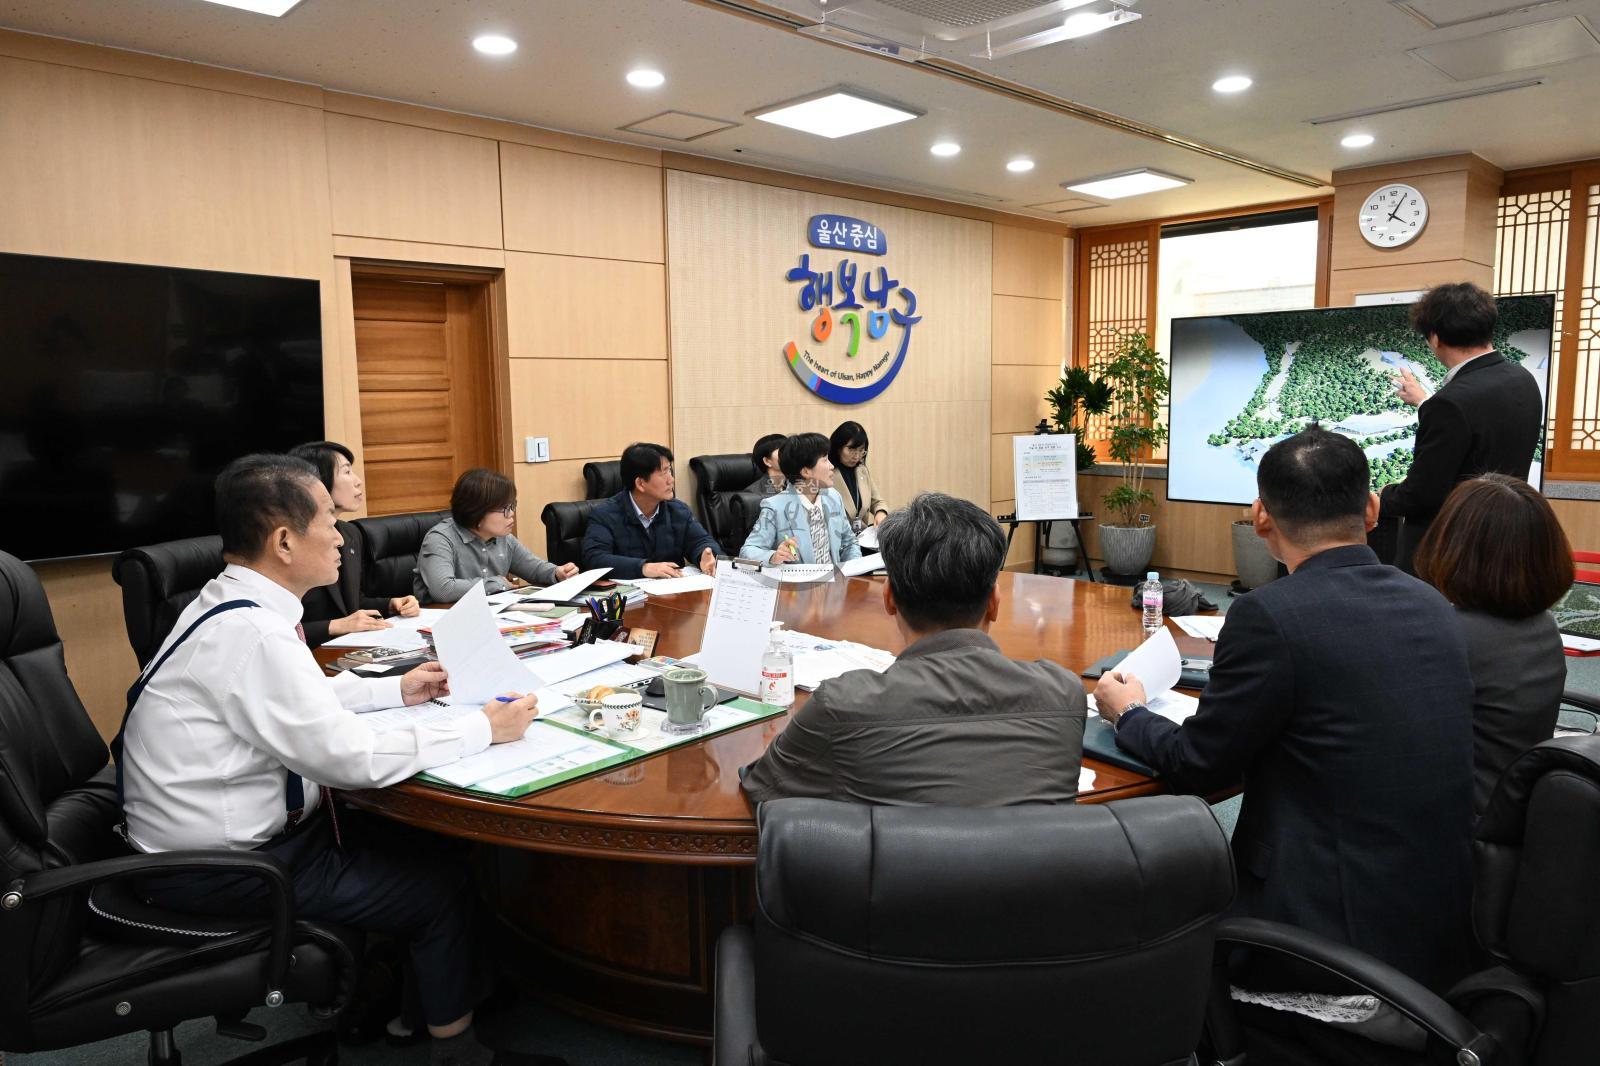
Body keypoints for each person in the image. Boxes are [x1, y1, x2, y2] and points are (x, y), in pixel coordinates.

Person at [117, 454, 561, 1066]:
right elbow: (349, 759)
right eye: (328, 518)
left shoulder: (231, 607)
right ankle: (458, 1051)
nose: (341, 536)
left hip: (213, 847)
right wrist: (481, 728)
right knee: (440, 887)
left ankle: (418, 1003)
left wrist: (395, 689)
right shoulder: (255, 635)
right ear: (283, 541)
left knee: (429, 842)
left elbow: (290, 700)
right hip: (225, 868)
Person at [1094, 429, 1475, 997]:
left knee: (1137, 917)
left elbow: (1198, 766)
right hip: (1439, 922)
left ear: (1261, 517)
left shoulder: (1269, 615)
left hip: (1326, 944)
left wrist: (1127, 713)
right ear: (1372, 510)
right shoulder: (1432, 604)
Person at [741, 493, 1085, 805]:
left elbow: (762, 786)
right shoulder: (1063, 694)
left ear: (889, 599)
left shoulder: (842, 705)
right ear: (995, 603)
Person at [1414, 474, 1573, 819]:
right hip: (1513, 811)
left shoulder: (1448, 635)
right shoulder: (1544, 625)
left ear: (1451, 545)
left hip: (1455, 825)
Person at [1381, 282, 1543, 572]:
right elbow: (1479, 427)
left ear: (1435, 337)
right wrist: (1424, 403)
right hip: (1502, 540)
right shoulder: (1522, 378)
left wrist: (1383, 495)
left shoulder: (1450, 403)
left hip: (1450, 553)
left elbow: (1421, 496)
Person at [288, 440, 419, 647]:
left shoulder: (350, 533)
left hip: (352, 646)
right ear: (317, 480)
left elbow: (352, 602)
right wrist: (335, 625)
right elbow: (277, 626)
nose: (358, 481)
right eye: (347, 472)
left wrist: (392, 604)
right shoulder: (294, 541)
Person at [415, 468, 577, 603]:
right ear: (476, 511)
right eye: (504, 509)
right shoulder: (440, 539)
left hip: (490, 615)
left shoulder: (503, 537)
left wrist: (557, 572)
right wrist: (496, 583)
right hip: (444, 618)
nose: (511, 514)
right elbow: (443, 590)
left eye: (512, 506)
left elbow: (533, 568)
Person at [582, 442, 720, 579]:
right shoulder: (604, 515)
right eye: (663, 473)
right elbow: (594, 559)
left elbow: (701, 541)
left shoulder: (678, 510)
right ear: (640, 483)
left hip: (674, 589)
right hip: (629, 592)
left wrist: (704, 555)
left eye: (669, 470)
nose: (671, 480)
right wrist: (643, 568)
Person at [738, 431, 861, 566]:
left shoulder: (833, 497)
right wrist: (773, 556)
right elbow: (748, 551)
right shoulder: (775, 507)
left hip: (836, 577)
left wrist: (854, 568)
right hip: (799, 580)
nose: (832, 466)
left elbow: (849, 543)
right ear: (806, 471)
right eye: (825, 460)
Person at [829, 420, 889, 530]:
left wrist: (880, 512)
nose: (856, 456)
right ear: (838, 447)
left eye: (861, 450)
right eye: (851, 450)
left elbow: (877, 501)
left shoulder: (862, 471)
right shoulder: (827, 474)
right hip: (838, 536)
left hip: (862, 534)